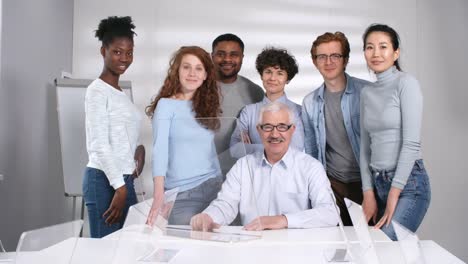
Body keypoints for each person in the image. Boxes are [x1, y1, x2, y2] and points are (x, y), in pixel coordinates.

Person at [190, 101, 338, 231]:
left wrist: (283, 220)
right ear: (258, 130)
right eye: (267, 127)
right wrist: (208, 216)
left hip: (295, 249)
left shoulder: (311, 167)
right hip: (253, 247)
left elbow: (330, 213)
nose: (274, 134)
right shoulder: (243, 166)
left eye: (282, 127)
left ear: (292, 130)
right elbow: (226, 203)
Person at [360, 24, 431, 240]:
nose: (376, 53)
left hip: (409, 184)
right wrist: (368, 192)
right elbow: (364, 147)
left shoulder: (406, 84)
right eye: (370, 47)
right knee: (377, 248)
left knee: (386, 244)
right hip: (378, 182)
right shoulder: (366, 92)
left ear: (395, 52)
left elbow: (411, 143)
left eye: (383, 47)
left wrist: (394, 192)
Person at [146, 46, 223, 226]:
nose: (192, 73)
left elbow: (209, 149)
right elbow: (160, 151)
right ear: (177, 71)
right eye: (186, 67)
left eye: (198, 68)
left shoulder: (207, 106)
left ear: (205, 75)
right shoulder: (166, 105)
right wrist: (159, 197)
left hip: (214, 187)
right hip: (183, 193)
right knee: (186, 246)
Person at [83, 16, 145, 238]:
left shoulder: (121, 95)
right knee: (105, 253)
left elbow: (120, 138)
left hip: (123, 180)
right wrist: (119, 188)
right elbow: (99, 144)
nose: (124, 58)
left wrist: (138, 151)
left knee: (128, 250)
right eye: (117, 52)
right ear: (103, 51)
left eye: (129, 52)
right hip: (105, 181)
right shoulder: (97, 91)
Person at [302, 32, 371, 226]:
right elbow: (312, 152)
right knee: (337, 243)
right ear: (314, 61)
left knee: (375, 242)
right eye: (322, 56)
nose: (328, 62)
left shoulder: (367, 92)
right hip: (334, 185)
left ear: (346, 60)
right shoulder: (310, 102)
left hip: (369, 184)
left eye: (335, 56)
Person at [230, 47, 304, 157]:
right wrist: (277, 147)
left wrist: (252, 147)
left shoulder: (298, 111)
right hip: (254, 172)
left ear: (287, 79)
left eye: (280, 73)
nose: (272, 78)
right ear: (261, 75)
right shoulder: (249, 112)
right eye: (268, 72)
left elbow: (295, 150)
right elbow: (234, 150)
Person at [211, 34, 264, 176]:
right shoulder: (197, 87)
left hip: (240, 173)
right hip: (200, 173)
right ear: (212, 56)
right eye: (220, 54)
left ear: (242, 58)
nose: (227, 59)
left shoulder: (255, 92)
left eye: (234, 54)